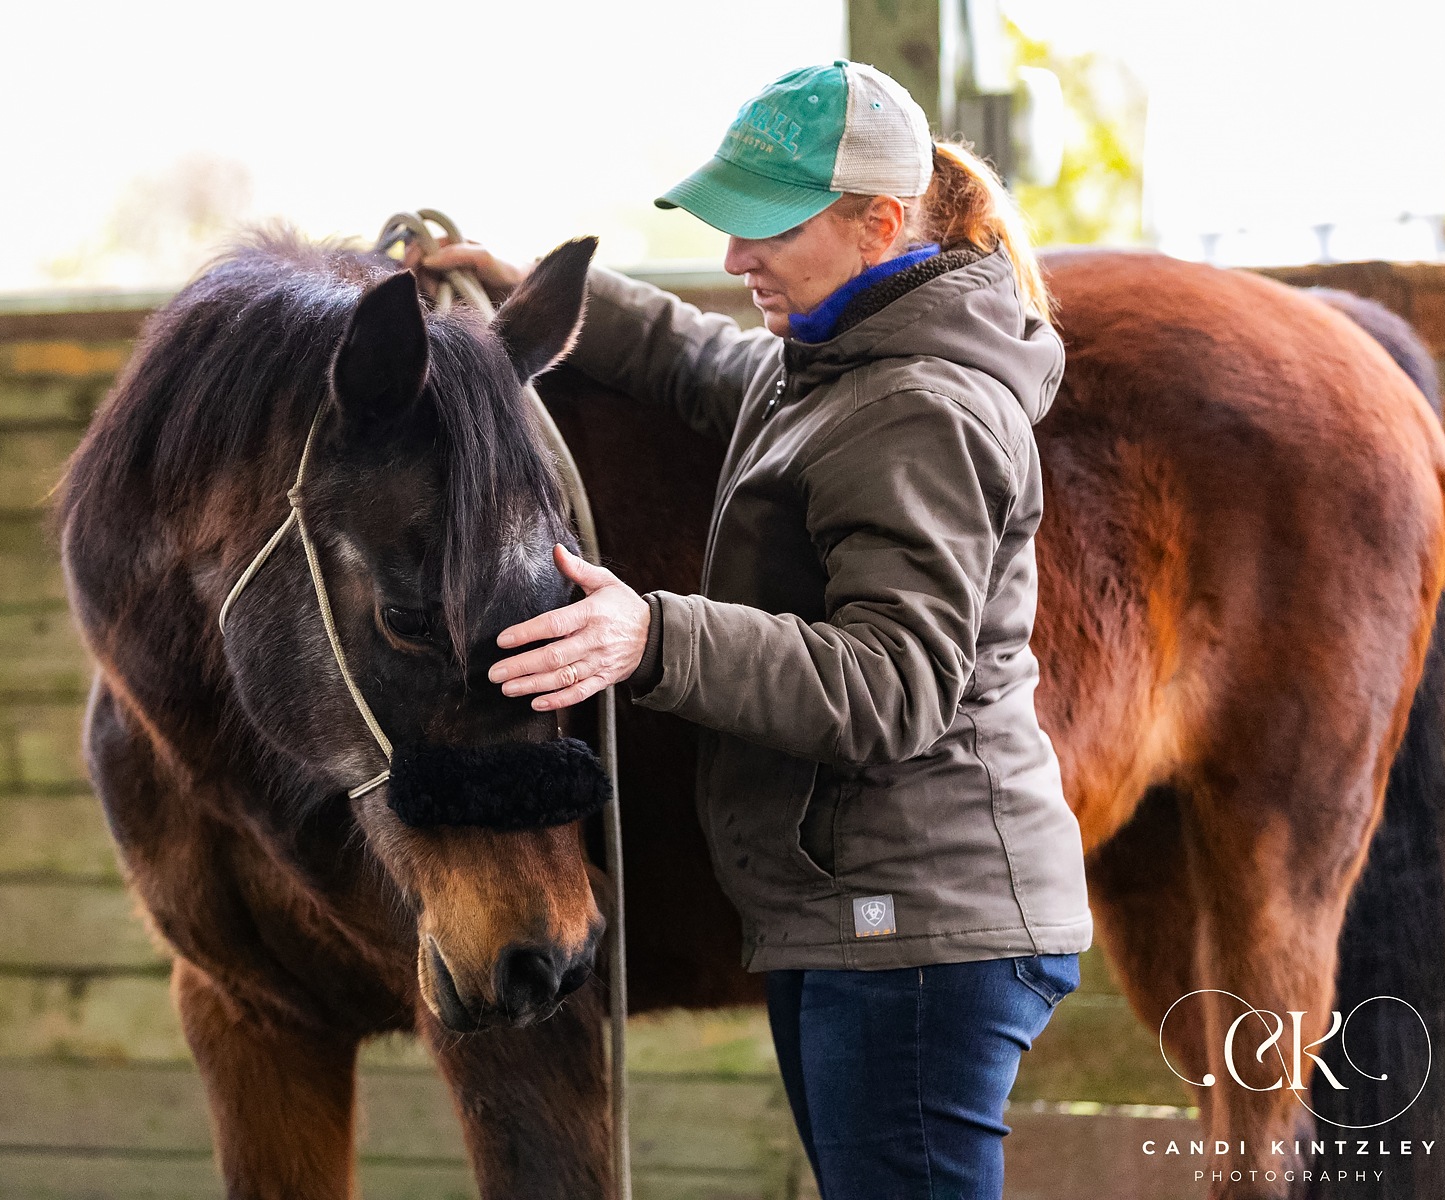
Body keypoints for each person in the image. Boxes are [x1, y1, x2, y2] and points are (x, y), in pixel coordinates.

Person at [409, 59, 1092, 1200]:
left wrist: (655, 637)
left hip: (919, 931)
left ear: (879, 222)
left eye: (767, 230)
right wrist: (529, 287)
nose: (735, 259)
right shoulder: (838, 362)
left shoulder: (918, 406)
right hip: (865, 920)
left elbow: (893, 689)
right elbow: (706, 363)